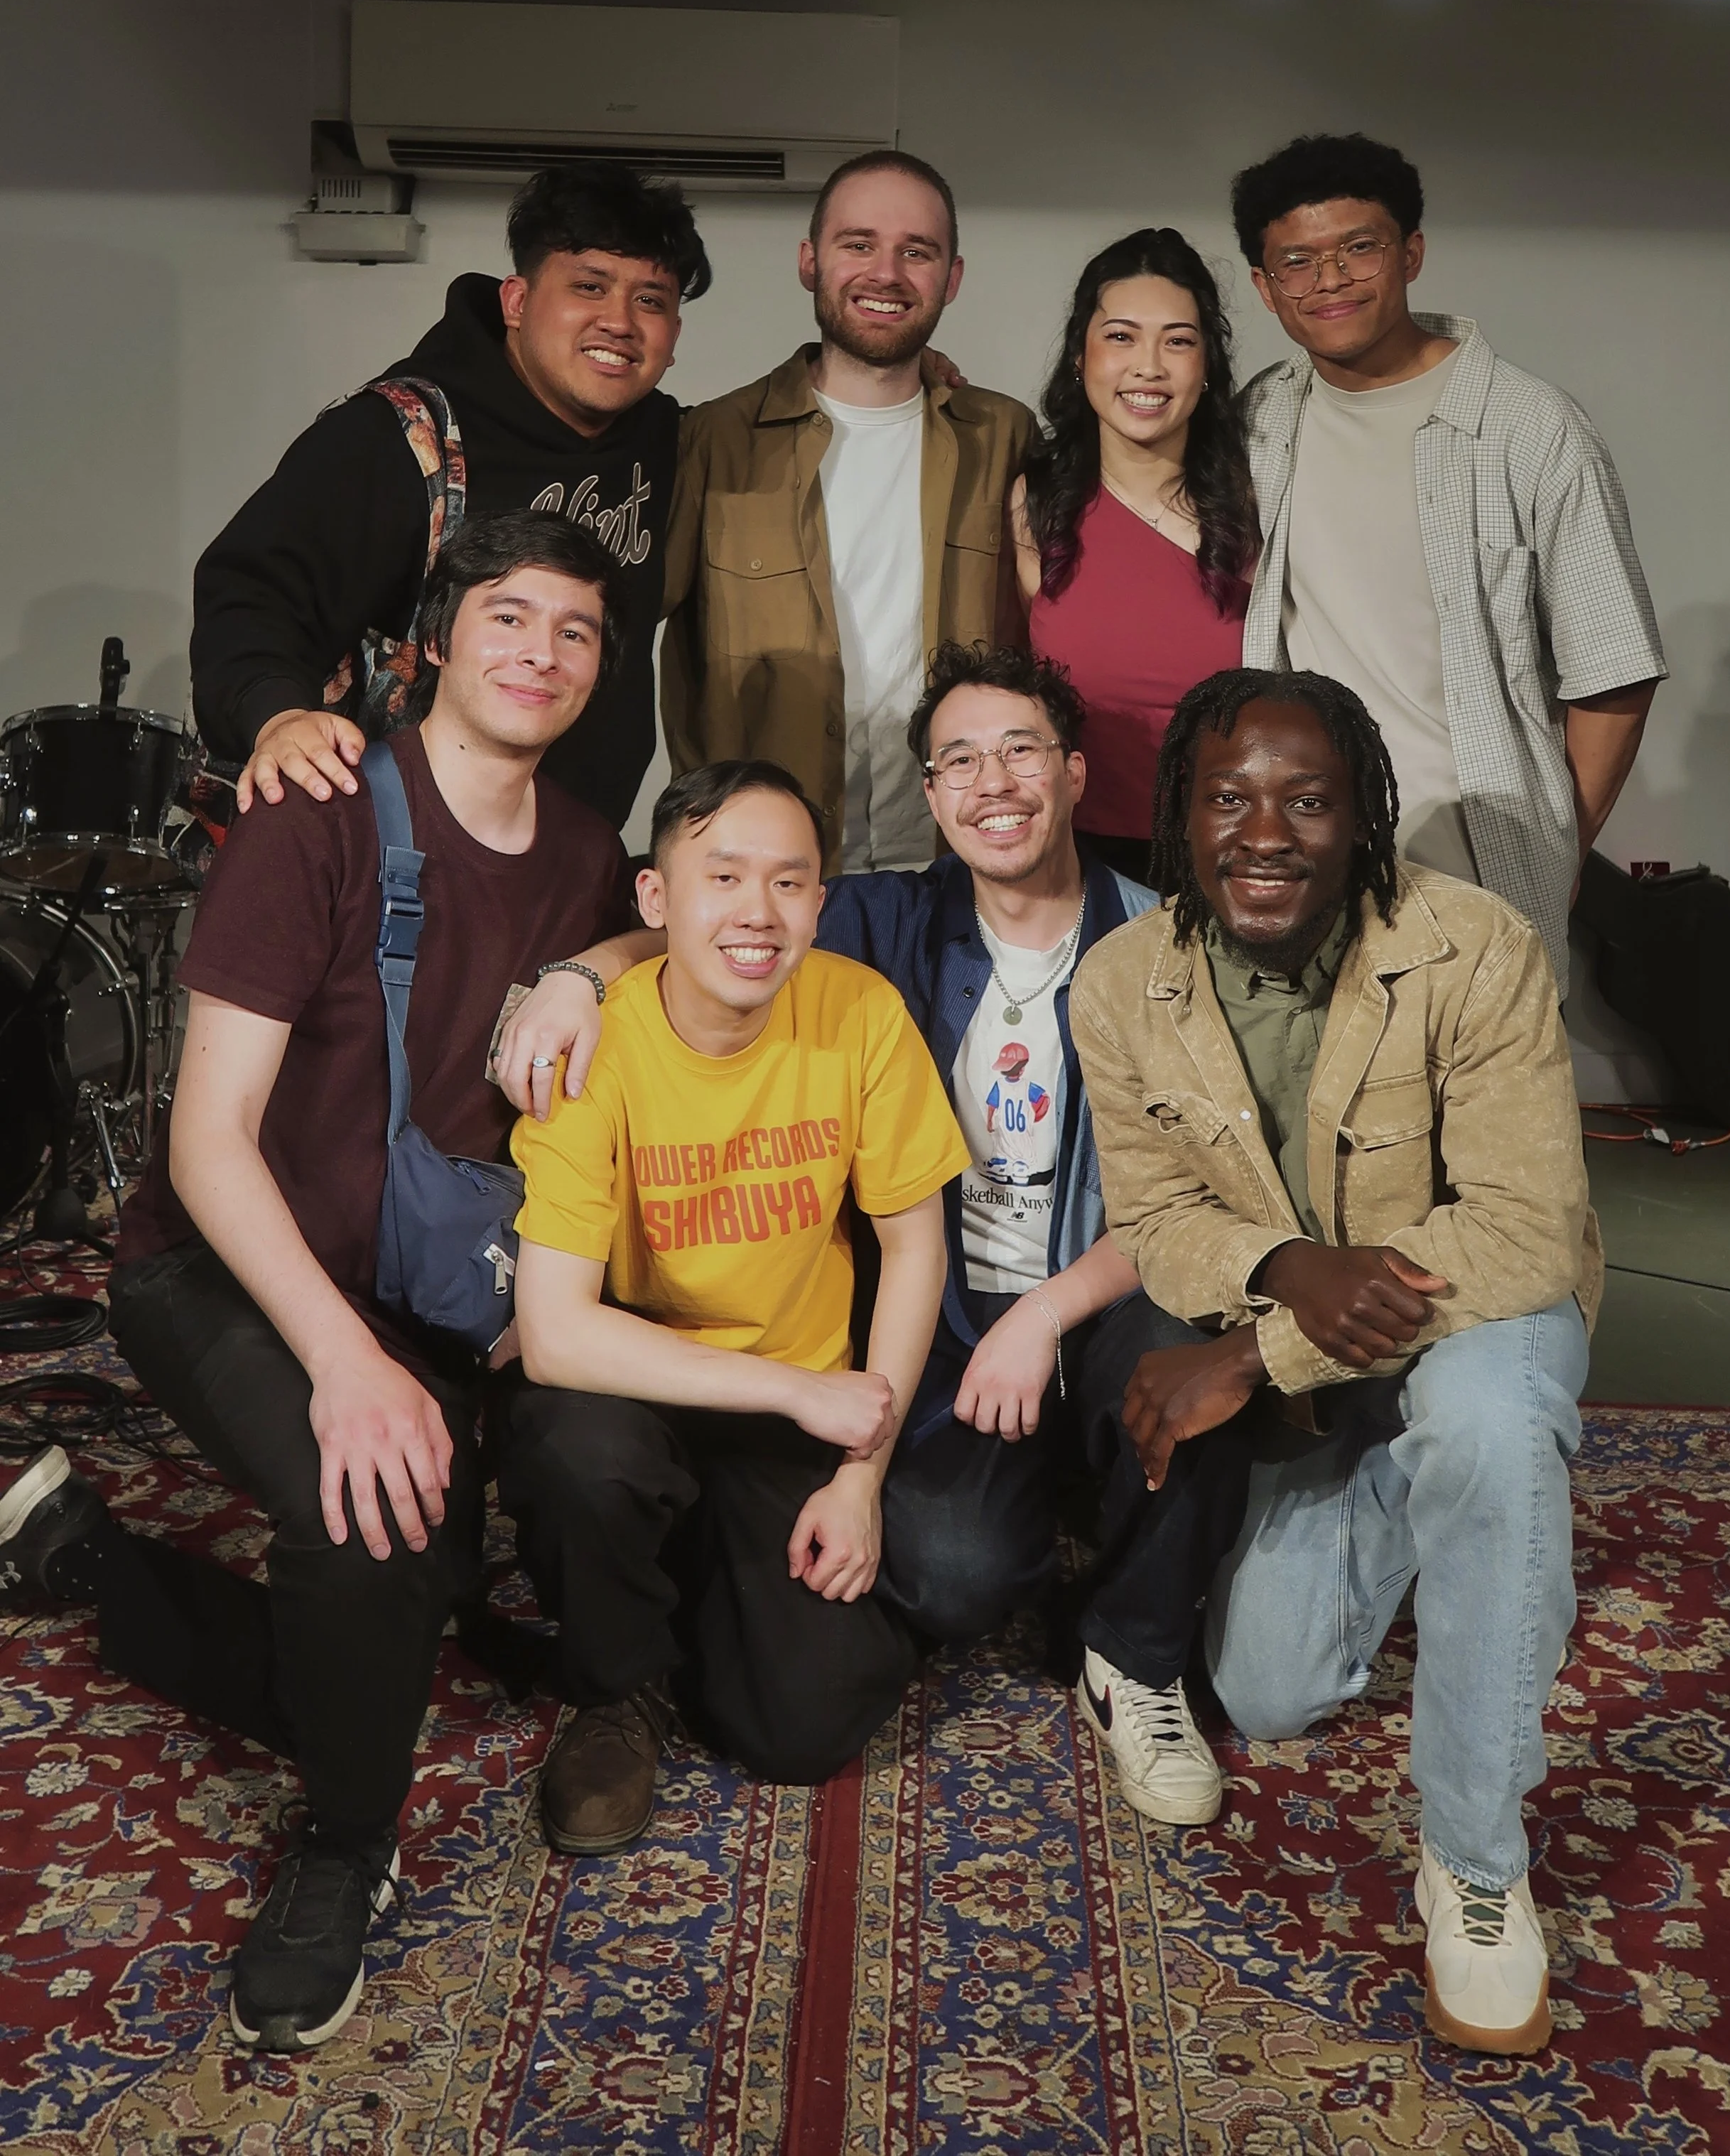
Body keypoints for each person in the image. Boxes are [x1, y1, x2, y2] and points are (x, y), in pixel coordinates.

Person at [0, 511, 644, 2053]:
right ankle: (346, 1841)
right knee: (378, 1527)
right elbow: (205, 1142)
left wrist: (592, 968)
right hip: (224, 1268)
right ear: (433, 638)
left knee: (403, 1589)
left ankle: (103, 1565)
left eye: (574, 629)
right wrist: (345, 1366)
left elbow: (653, 929)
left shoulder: (584, 850)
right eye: (507, 615)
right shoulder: (321, 806)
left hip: (423, 1288)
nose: (538, 651)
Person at [1069, 666, 1601, 2058]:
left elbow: (1517, 1227)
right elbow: (1157, 1214)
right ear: (1176, 815)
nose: (1263, 832)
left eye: (1306, 800)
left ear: (1361, 818)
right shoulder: (1120, 982)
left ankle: (1477, 1874)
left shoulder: (1471, 943)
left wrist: (1254, 1351)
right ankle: (1477, 1517)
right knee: (1267, 1687)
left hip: (1476, 1307)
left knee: (1483, 1420)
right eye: (1226, 796)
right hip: (1327, 1361)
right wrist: (1280, 1271)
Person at [809, 639, 1253, 1824]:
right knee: (951, 1580)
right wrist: (573, 981)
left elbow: (1201, 1194)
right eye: (959, 760)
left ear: (1071, 769)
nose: (991, 782)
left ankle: (1134, 1651)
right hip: (946, 1318)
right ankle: (1057, 1495)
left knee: (1198, 1341)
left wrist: (1049, 1315)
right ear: (932, 793)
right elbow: (702, 917)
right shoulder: (883, 918)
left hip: (1108, 1296)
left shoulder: (1167, 941)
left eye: (1019, 751)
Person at [499, 760, 968, 1854]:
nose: (758, 912)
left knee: (805, 1728)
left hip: (792, 1417)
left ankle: (700, 1583)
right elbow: (558, 1334)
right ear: (656, 900)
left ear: (819, 899)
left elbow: (914, 1249)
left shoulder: (859, 1011)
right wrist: (806, 1393)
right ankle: (624, 1685)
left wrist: (863, 1479)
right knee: (576, 1454)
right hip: (636, 1386)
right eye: (724, 877)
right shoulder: (596, 1040)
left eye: (791, 883)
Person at [1231, 131, 1666, 992]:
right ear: (1264, 286)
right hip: (1304, 864)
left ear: (1411, 253)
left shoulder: (1531, 427)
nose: (1330, 282)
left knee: (1478, 1122)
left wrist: (1556, 846)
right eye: (1298, 262)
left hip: (1475, 870)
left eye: (1359, 248)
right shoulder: (1261, 419)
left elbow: (1612, 670)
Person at [194, 161, 710, 828]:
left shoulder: (670, 443)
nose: (620, 321)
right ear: (517, 301)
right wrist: (278, 715)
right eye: (589, 286)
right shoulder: (398, 435)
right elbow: (254, 592)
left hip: (568, 864)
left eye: (651, 300)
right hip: (388, 861)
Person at [661, 150, 1036, 874]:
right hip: (764, 871)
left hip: (954, 865)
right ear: (810, 261)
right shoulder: (710, 442)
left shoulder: (1004, 439)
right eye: (857, 244)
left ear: (951, 278)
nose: (886, 274)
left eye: (916, 252)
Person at [1010, 229, 1255, 886]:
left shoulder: (1257, 503)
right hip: (1072, 859)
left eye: (1177, 340)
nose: (1148, 366)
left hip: (1234, 854)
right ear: (1079, 356)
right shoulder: (1033, 502)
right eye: (1121, 336)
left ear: (1207, 366)